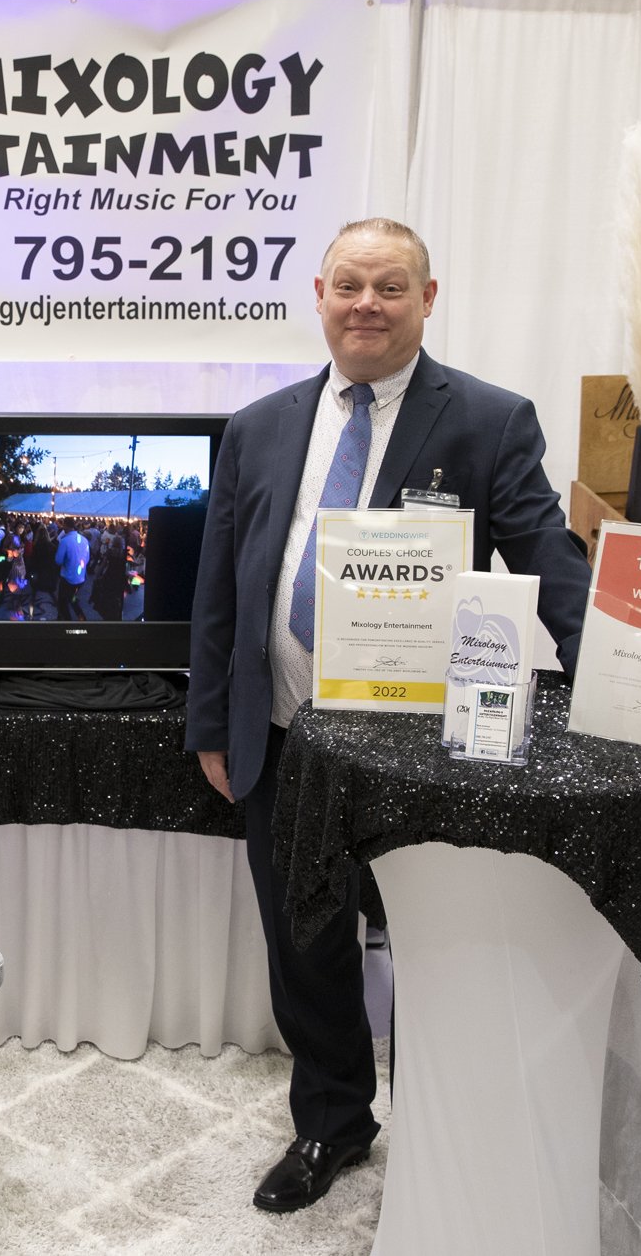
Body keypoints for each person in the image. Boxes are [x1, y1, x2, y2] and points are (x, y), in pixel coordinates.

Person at [186, 217, 591, 1215]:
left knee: (434, 941)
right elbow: (221, 588)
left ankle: (448, 1131)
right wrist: (210, 722)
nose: (366, 304)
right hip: (283, 737)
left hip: (420, 753)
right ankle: (332, 1120)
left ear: (427, 298)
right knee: (303, 942)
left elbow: (550, 564)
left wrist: (612, 680)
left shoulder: (489, 421)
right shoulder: (257, 425)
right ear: (319, 294)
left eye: (390, 287)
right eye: (349, 285)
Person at [54, 519, 90, 621]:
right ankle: (80, 619)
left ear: (66, 525)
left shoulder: (65, 541)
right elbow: (87, 559)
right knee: (72, 599)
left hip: (67, 578)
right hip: (80, 578)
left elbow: (58, 561)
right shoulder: (84, 540)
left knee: (62, 603)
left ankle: (68, 622)